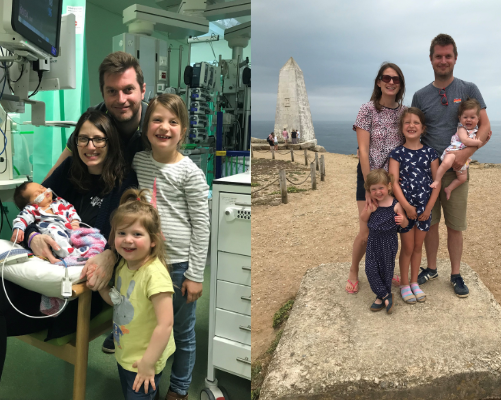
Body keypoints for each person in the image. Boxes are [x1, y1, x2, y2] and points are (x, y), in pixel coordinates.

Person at [0, 110, 138, 380]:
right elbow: (32, 207)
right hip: (39, 269)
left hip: (75, 291)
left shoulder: (124, 183)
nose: (90, 146)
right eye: (83, 139)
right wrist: (32, 237)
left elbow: (124, 242)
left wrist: (109, 255)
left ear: (110, 141)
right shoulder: (68, 171)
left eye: (98, 139)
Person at [132, 94, 210, 399]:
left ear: (184, 130)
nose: (164, 127)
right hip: (147, 263)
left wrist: (195, 274)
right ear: (146, 126)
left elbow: (201, 226)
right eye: (157, 119)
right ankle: (152, 370)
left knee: (182, 331)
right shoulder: (139, 161)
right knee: (154, 325)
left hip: (178, 266)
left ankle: (179, 389)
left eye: (173, 122)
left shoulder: (191, 172)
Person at [411, 34, 491, 297]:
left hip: (457, 168)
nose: (443, 61)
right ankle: (432, 268)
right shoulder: (420, 95)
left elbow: (486, 127)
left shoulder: (469, 89)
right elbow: (413, 132)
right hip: (428, 171)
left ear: (455, 58)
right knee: (430, 224)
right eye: (438, 56)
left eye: (448, 56)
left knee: (455, 225)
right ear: (431, 59)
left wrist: (463, 154)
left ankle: (455, 273)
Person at [99, 188, 175, 400]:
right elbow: (118, 303)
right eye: (121, 233)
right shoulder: (124, 265)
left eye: (137, 234)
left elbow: (165, 324)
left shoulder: (154, 275)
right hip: (126, 352)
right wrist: (101, 287)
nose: (127, 240)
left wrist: (148, 364)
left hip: (145, 359)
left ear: (153, 240)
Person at [346, 62, 406, 294]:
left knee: (388, 229)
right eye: (386, 78)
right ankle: (353, 270)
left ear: (400, 85)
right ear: (379, 82)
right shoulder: (367, 109)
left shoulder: (403, 113)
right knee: (366, 230)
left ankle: (385, 271)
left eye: (396, 79)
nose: (391, 82)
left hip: (391, 182)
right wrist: (369, 186)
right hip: (369, 179)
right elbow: (362, 150)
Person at [389, 108, 440, 304]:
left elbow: (437, 182)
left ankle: (414, 282)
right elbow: (393, 182)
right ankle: (403, 284)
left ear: (423, 128)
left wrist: (428, 209)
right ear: (402, 128)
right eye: (407, 122)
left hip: (425, 210)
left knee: (419, 247)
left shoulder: (430, 153)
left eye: (416, 122)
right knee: (407, 247)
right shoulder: (397, 153)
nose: (411, 126)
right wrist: (406, 206)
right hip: (406, 209)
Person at [360, 169, 408, 314]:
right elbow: (363, 218)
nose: (378, 192)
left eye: (381, 188)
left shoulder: (396, 204)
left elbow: (405, 224)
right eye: (373, 189)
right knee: (370, 269)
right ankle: (387, 295)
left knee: (386, 270)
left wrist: (403, 220)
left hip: (389, 241)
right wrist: (369, 210)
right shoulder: (372, 203)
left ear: (388, 186)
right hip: (373, 240)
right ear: (369, 190)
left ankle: (380, 297)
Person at [430, 99, 484, 200]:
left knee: (462, 178)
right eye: (465, 117)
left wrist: (485, 139)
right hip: (454, 151)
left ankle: (449, 189)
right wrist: (478, 142)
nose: (468, 120)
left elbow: (477, 143)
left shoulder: (476, 131)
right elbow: (465, 141)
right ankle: (437, 180)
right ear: (460, 118)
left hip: (464, 158)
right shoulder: (461, 129)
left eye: (472, 117)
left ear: (478, 119)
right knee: (446, 163)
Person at [11, 183, 82, 258]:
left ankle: (87, 250)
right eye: (37, 194)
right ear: (30, 203)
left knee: (83, 234)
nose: (43, 191)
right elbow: (23, 217)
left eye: (42, 187)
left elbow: (71, 210)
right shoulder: (33, 209)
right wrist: (19, 228)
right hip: (53, 231)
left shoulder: (60, 202)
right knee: (56, 236)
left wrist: (75, 222)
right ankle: (71, 255)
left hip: (69, 229)